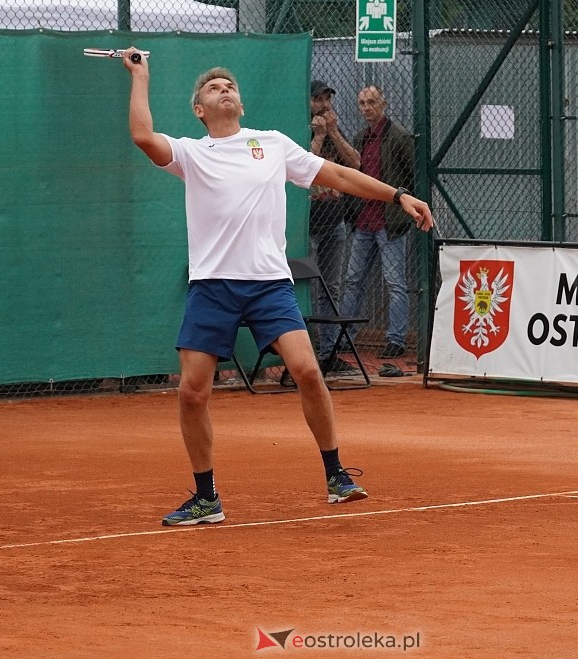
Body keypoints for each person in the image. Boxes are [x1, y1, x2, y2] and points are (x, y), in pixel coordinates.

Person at [121, 51, 434, 526]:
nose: (224, 88)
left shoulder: (271, 145)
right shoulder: (190, 152)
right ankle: (206, 498)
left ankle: (336, 476)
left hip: (269, 285)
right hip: (212, 287)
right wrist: (141, 75)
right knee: (191, 392)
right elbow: (143, 136)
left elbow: (339, 175)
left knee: (308, 371)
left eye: (230, 85)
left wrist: (398, 194)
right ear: (200, 110)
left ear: (241, 105)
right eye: (213, 88)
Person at [318, 85, 415, 364]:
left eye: (371, 101)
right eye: (361, 103)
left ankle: (396, 340)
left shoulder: (398, 137)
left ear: (383, 103)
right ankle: (345, 336)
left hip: (389, 221)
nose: (366, 107)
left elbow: (412, 174)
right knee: (353, 281)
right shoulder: (360, 138)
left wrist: (403, 211)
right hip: (363, 221)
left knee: (395, 282)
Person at [281, 80, 360, 386]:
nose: (325, 105)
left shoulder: (332, 131)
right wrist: (318, 135)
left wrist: (334, 133)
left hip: (334, 221)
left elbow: (355, 163)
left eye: (327, 99)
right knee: (300, 289)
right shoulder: (299, 132)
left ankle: (329, 353)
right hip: (307, 224)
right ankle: (301, 356)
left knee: (332, 287)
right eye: (318, 99)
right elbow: (302, 171)